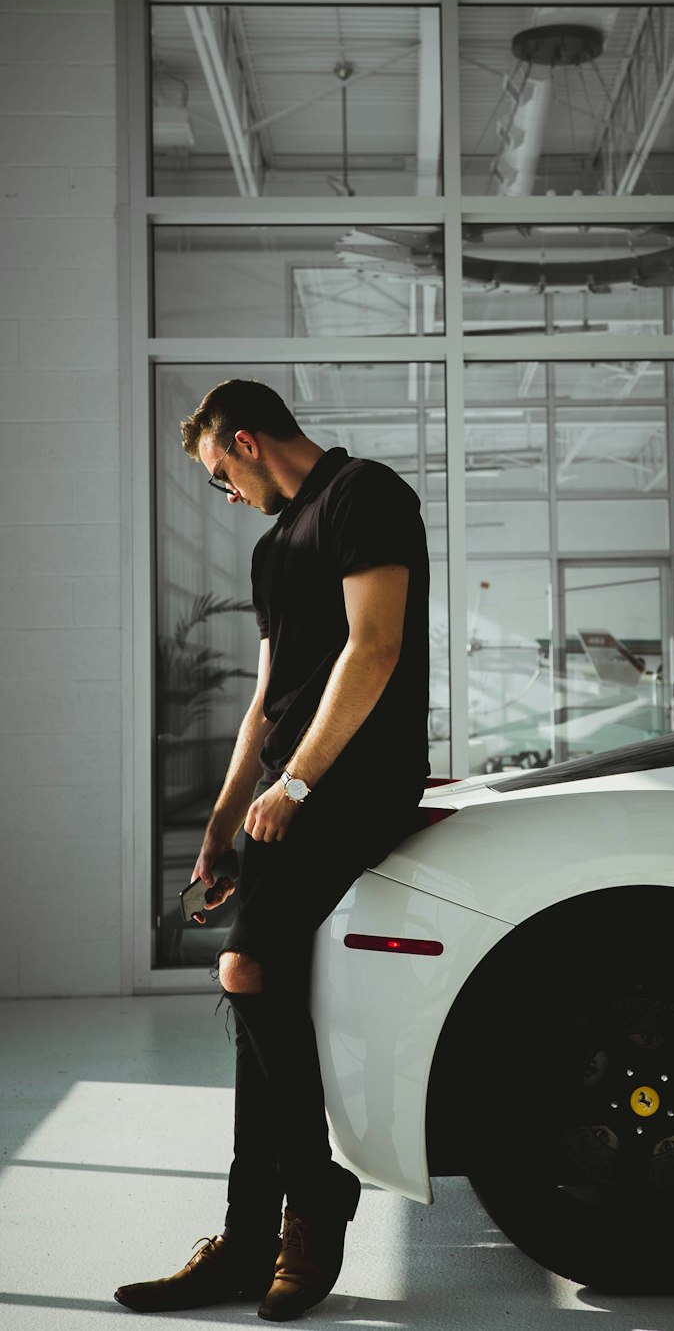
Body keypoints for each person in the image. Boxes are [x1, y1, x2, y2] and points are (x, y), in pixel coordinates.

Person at [115, 379, 430, 1321]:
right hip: (284, 799)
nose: (225, 492)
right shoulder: (270, 549)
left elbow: (372, 649)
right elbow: (266, 700)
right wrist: (223, 817)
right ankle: (251, 1240)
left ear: (244, 441)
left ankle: (318, 1191)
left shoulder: (367, 495)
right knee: (263, 1006)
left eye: (218, 473)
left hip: (353, 781)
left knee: (246, 970)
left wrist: (296, 787)